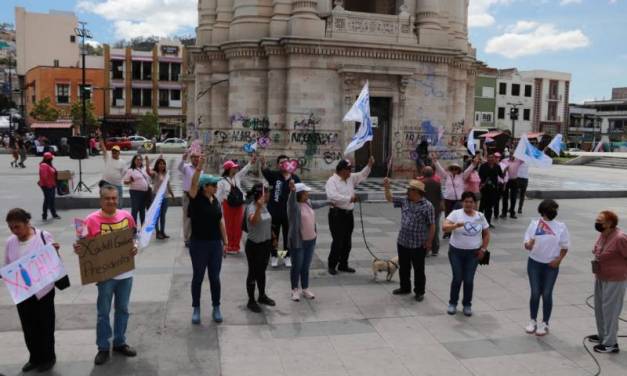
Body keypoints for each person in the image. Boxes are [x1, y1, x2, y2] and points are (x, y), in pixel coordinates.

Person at [73, 185, 138, 365]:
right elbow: (83, 245)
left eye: (114, 198)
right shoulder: (90, 220)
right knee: (103, 313)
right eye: (107, 198)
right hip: (105, 276)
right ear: (101, 200)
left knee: (123, 309)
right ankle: (102, 347)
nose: (111, 201)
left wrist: (135, 246)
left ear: (118, 199)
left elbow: (135, 236)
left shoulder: (127, 217)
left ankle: (119, 342)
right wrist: (79, 249)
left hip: (125, 273)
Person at [4, 208, 60, 372]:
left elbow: (52, 261)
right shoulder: (10, 242)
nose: (14, 231)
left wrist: (54, 251)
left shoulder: (43, 236)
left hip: (43, 290)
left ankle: (49, 357)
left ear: (27, 223)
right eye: (11, 227)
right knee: (28, 327)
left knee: (45, 325)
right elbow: (8, 264)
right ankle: (34, 357)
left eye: (17, 227)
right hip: (22, 292)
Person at [187, 157, 226, 324]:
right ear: (205, 187)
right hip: (198, 244)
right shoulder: (195, 199)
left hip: (215, 244)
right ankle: (196, 308)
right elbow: (193, 186)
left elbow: (220, 220)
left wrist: (225, 241)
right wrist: (199, 168)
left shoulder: (215, 200)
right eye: (214, 185)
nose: (217, 188)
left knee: (215, 278)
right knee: (198, 277)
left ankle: (216, 306)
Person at [523, 199, 570, 336]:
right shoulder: (534, 224)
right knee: (535, 292)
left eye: (555, 210)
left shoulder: (561, 227)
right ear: (543, 211)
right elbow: (527, 244)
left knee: (547, 293)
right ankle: (532, 321)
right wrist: (528, 245)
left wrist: (559, 260)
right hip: (534, 263)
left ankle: (545, 323)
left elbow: (565, 247)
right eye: (552, 210)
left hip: (551, 266)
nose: (554, 212)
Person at [384, 178, 435, 301]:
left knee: (418, 269)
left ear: (416, 191)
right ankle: (405, 287)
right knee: (404, 267)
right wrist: (387, 187)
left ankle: (419, 292)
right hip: (403, 241)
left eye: (409, 189)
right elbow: (390, 198)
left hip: (418, 243)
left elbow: (432, 225)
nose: (407, 191)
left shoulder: (427, 206)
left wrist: (429, 242)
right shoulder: (405, 201)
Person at [443, 192, 490, 317]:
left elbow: (486, 234)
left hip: (473, 254)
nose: (468, 204)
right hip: (456, 252)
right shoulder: (456, 214)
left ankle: (467, 304)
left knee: (469, 280)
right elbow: (444, 227)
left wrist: (483, 250)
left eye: (471, 202)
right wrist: (455, 225)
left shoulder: (480, 216)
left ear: (474, 203)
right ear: (462, 202)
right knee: (457, 278)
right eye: (466, 201)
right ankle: (452, 303)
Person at [325, 157, 374, 275]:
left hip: (348, 214)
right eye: (348, 169)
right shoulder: (332, 181)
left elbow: (362, 175)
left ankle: (343, 264)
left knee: (347, 241)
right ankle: (332, 265)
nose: (350, 172)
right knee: (338, 241)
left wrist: (369, 165)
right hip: (337, 214)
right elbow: (332, 197)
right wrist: (349, 198)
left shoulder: (350, 178)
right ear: (341, 170)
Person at [589, 210, 627, 353]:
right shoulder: (603, 234)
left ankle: (611, 343)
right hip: (601, 276)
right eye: (597, 220)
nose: (597, 223)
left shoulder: (620, 238)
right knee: (600, 307)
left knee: (610, 310)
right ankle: (602, 335)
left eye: (600, 221)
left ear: (610, 223)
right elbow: (597, 250)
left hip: (615, 279)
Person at [287, 180, 328, 301]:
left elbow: (318, 203)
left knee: (305, 266)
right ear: (299, 194)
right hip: (298, 242)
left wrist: (329, 202)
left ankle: (305, 288)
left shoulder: (308, 202)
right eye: (305, 193)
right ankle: (294, 289)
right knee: (297, 266)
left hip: (311, 241)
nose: (308, 194)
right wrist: (292, 191)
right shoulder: (293, 206)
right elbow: (291, 200)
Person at [261, 155, 301, 267]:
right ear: (278, 165)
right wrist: (263, 163)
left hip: (289, 213)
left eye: (286, 162)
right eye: (281, 162)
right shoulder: (275, 176)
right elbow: (265, 171)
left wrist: (294, 189)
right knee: (274, 236)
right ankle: (274, 256)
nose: (283, 164)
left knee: (288, 236)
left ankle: (286, 256)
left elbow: (300, 194)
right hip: (274, 212)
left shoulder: (295, 178)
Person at [244, 183, 276, 313]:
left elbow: (267, 222)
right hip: (254, 246)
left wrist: (273, 237)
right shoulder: (251, 208)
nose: (269, 194)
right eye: (267, 193)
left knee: (262, 271)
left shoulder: (264, 207)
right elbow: (254, 221)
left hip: (265, 244)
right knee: (253, 272)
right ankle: (251, 301)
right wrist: (258, 206)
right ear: (261, 195)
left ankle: (262, 295)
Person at [217, 156, 255, 254]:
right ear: (229, 169)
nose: (236, 169)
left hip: (238, 204)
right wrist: (216, 207)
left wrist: (250, 162)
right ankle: (229, 246)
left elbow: (244, 171)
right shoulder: (221, 181)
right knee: (229, 226)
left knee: (238, 226)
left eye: (236, 167)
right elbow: (218, 196)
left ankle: (236, 246)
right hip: (227, 205)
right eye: (234, 167)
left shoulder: (237, 177)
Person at [145, 155, 175, 239]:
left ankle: (162, 231)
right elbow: (148, 171)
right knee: (156, 216)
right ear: (157, 165)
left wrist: (172, 194)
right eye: (160, 164)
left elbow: (168, 185)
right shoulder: (155, 173)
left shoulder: (166, 174)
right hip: (156, 197)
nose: (162, 165)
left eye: (163, 164)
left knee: (163, 215)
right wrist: (147, 162)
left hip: (165, 197)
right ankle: (157, 232)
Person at [179, 150, 202, 247]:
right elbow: (179, 167)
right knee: (187, 217)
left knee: (197, 217)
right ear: (191, 158)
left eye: (197, 157)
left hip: (198, 195)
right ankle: (187, 238)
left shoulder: (201, 169)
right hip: (187, 195)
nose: (196, 159)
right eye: (194, 157)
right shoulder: (186, 167)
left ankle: (195, 236)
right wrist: (183, 159)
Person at [418, 166, 442, 255]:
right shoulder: (437, 183)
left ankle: (425, 249)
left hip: (423, 209)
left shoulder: (420, 183)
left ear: (423, 173)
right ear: (432, 173)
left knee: (424, 230)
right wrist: (441, 208)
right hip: (435, 210)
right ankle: (435, 249)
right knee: (435, 229)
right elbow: (440, 197)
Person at [478, 153, 505, 227]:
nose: (491, 159)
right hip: (484, 188)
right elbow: (479, 176)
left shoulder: (497, 166)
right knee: (482, 206)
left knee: (489, 207)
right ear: (487, 158)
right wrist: (483, 183)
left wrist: (505, 172)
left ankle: (488, 222)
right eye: (489, 157)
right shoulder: (483, 166)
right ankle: (479, 222)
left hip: (493, 189)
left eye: (492, 157)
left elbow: (501, 175)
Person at [123, 154, 151, 226]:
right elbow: (125, 182)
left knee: (142, 210)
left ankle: (143, 227)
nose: (139, 161)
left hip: (144, 193)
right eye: (137, 160)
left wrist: (147, 162)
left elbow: (149, 173)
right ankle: (134, 228)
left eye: (140, 160)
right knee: (135, 210)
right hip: (135, 192)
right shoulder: (130, 170)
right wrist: (130, 181)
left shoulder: (143, 169)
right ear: (134, 161)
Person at [99, 133, 126, 206]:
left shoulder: (122, 162)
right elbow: (103, 147)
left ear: (119, 152)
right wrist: (100, 136)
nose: (114, 153)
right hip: (106, 183)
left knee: (119, 203)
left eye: (116, 151)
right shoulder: (108, 157)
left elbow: (123, 174)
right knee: (105, 202)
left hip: (117, 185)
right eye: (113, 151)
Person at [38, 152, 61, 221]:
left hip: (52, 184)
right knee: (47, 200)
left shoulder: (49, 165)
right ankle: (44, 215)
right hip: (47, 186)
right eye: (51, 158)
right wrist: (49, 185)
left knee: (52, 200)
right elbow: (44, 177)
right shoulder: (44, 165)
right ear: (49, 159)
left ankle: (54, 214)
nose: (52, 159)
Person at [501, 155, 523, 219]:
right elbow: (501, 169)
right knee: (505, 197)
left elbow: (525, 158)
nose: (512, 155)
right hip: (506, 180)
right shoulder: (504, 161)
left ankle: (512, 213)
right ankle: (504, 212)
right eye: (511, 153)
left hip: (514, 180)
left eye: (514, 153)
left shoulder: (518, 161)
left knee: (513, 197)